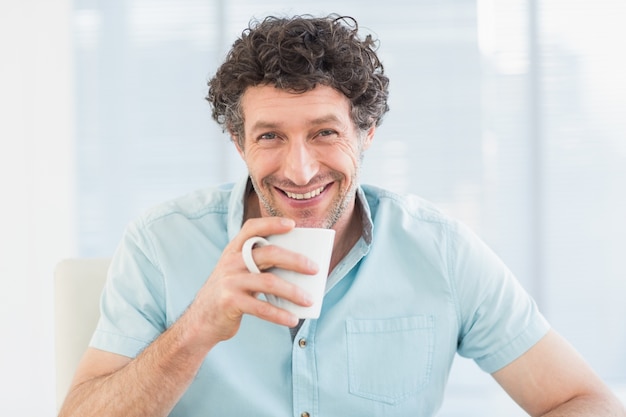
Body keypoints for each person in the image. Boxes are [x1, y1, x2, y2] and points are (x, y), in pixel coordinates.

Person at [59, 14, 625, 417]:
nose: (300, 171)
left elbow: (586, 401)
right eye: (271, 136)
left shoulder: (441, 250)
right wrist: (195, 330)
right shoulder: (161, 244)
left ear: (367, 132)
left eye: (325, 133)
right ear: (238, 142)